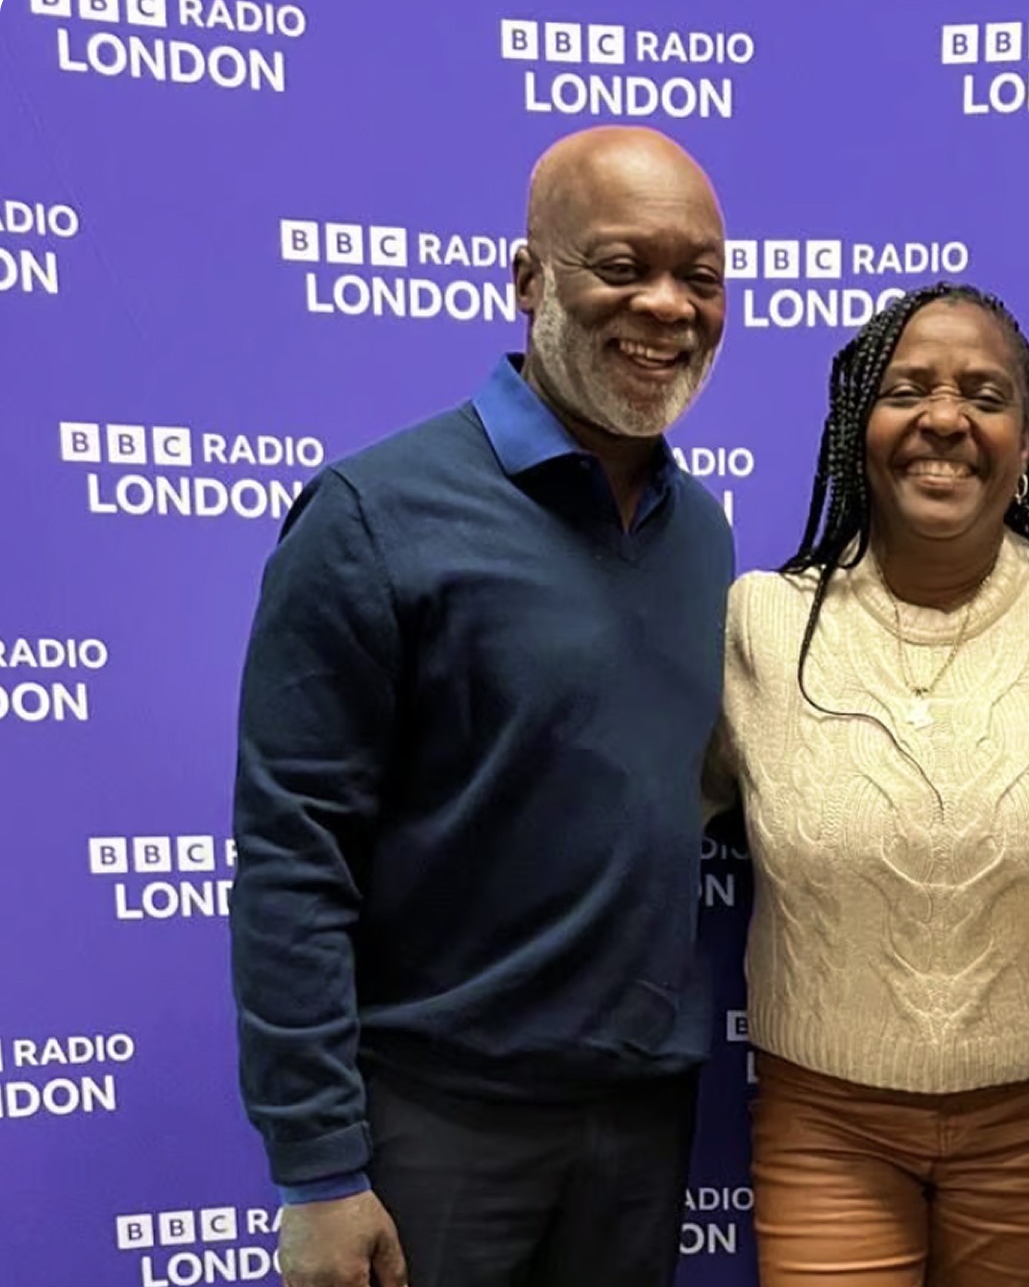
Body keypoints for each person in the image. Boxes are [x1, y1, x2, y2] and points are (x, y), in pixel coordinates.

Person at [229, 125, 731, 1287]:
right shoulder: (371, 514)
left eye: (699, 277)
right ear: (528, 280)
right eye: (622, 266)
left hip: (638, 1126)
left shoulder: (699, 531)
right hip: (434, 1133)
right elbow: (293, 859)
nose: (666, 305)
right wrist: (317, 1171)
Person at [706, 283, 1029, 1287]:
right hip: (828, 1121)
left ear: (1026, 438)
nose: (946, 418)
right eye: (909, 390)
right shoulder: (764, 624)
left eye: (985, 396)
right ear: (859, 427)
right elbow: (626, 809)